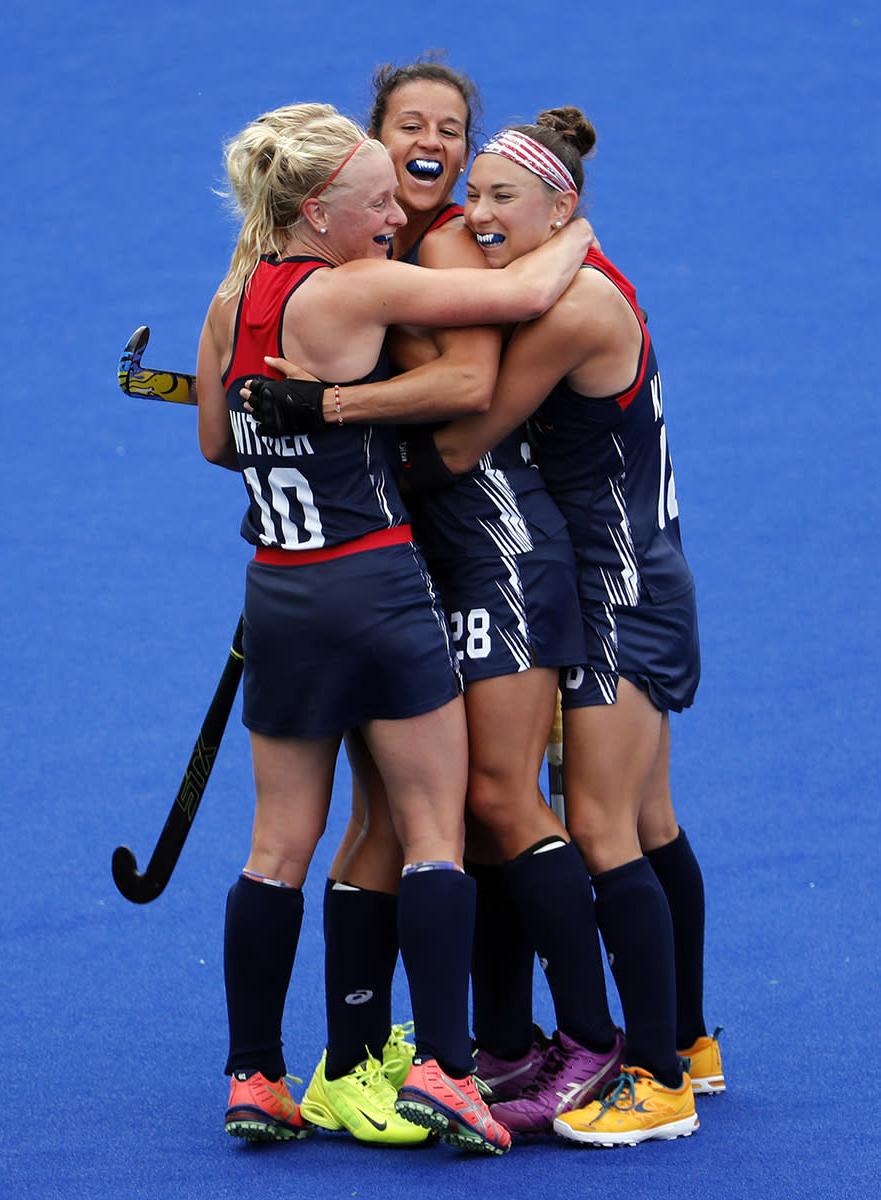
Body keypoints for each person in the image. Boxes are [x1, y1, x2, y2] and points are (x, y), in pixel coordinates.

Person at [195, 101, 595, 1155]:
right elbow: (520, 290)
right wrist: (577, 221)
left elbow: (212, 441)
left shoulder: (233, 294)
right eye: (374, 202)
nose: (393, 216)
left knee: (275, 847)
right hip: (373, 586)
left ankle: (253, 1079)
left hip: (276, 593)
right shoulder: (355, 286)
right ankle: (448, 1075)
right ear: (317, 208)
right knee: (431, 830)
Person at [397, 106, 721, 1145]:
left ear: (562, 207)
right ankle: (692, 1040)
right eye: (474, 194)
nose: (478, 213)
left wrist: (335, 424)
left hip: (619, 590)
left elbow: (463, 438)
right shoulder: (563, 278)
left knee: (599, 825)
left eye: (503, 198)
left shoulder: (572, 305)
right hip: (619, 579)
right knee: (651, 820)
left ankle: (657, 1075)